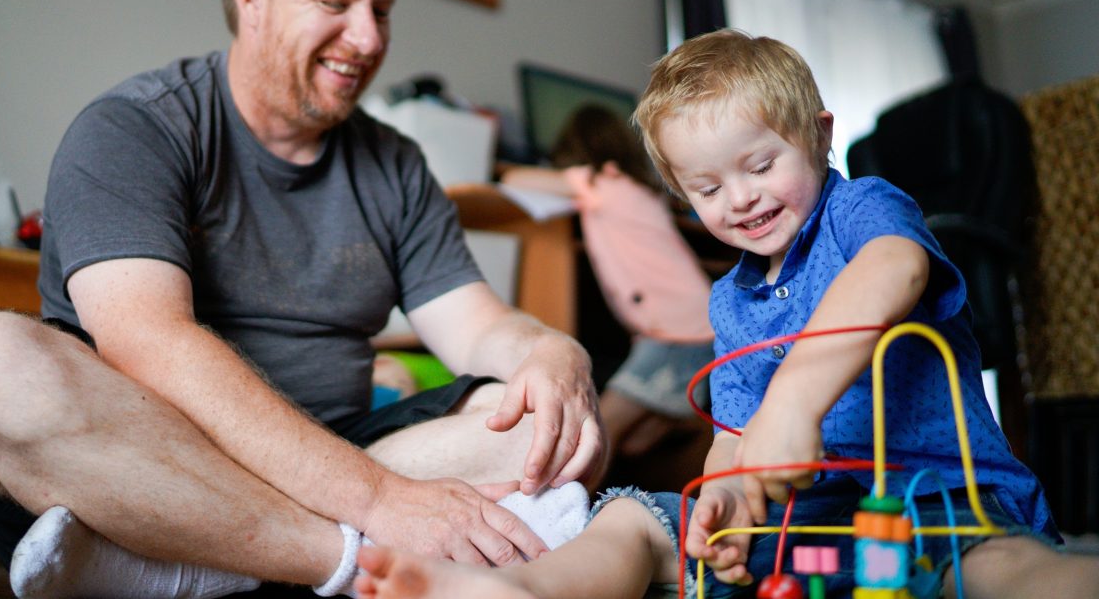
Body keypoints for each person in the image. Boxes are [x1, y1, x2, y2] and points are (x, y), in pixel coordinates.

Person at [0, 0, 603, 598]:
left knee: (556, 433)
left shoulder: (395, 165)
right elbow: (147, 342)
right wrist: (377, 500)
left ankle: (188, 566)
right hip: (158, 463)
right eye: (335, 4)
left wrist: (550, 351)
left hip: (341, 451)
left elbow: (480, 325)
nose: (369, 38)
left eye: (381, 9)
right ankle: (333, 557)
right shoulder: (135, 127)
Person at [346, 30, 1099, 598]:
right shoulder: (729, 298)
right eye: (706, 189)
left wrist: (796, 400)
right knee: (635, 516)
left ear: (821, 135)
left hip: (933, 500)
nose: (739, 198)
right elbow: (734, 442)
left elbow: (895, 267)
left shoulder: (860, 210)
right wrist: (727, 498)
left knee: (1001, 568)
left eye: (761, 164)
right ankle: (522, 589)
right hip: (804, 526)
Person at [501, 104, 717, 488]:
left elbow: (516, 177)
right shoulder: (641, 190)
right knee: (634, 445)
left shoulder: (600, 182)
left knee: (598, 432)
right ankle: (679, 413)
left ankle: (565, 527)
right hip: (692, 326)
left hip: (677, 334)